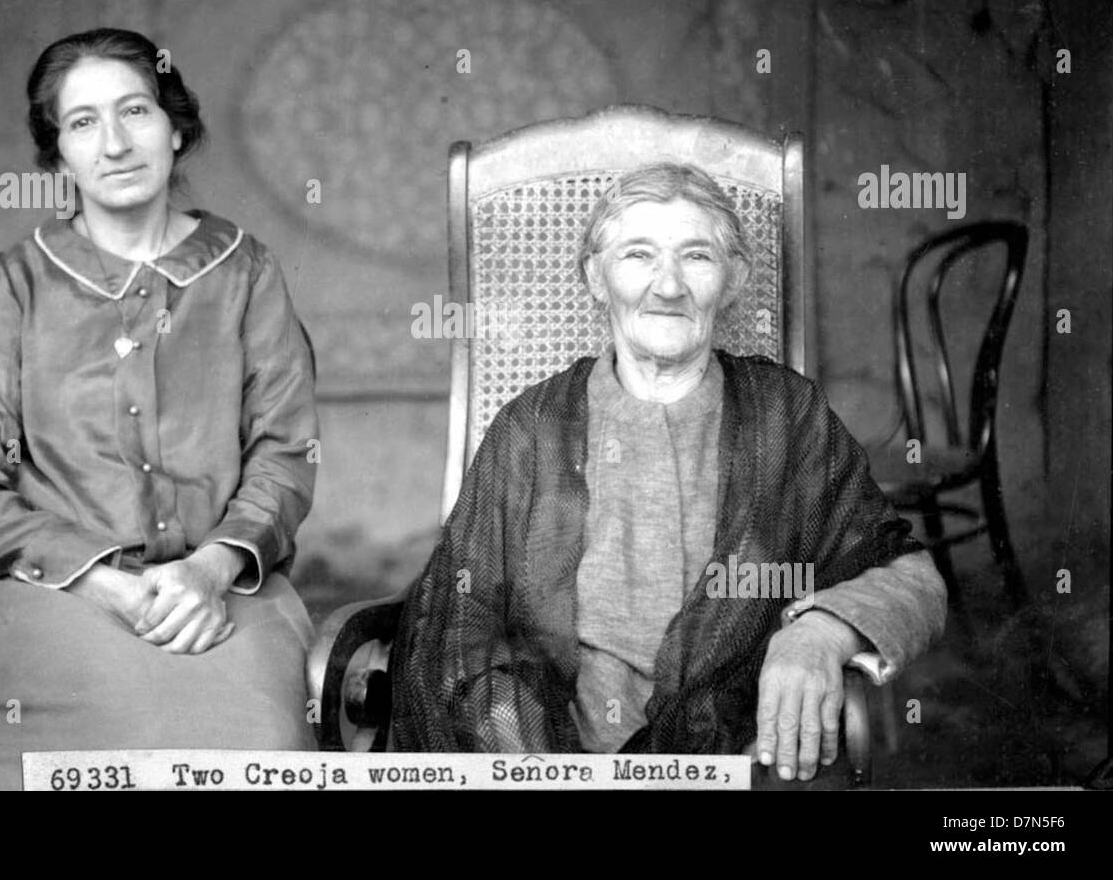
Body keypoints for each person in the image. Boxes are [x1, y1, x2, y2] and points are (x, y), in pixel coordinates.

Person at [391, 162, 947, 781]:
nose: (668, 287)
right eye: (638, 256)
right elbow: (457, 629)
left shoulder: (786, 418)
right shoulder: (530, 430)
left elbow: (912, 576)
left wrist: (823, 631)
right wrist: (528, 758)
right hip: (550, 764)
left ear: (733, 280)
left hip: (734, 760)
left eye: (697, 257)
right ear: (595, 278)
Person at [0, 28, 319, 790]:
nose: (115, 143)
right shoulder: (8, 288)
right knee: (97, 742)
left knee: (255, 745)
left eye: (135, 110)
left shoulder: (247, 273)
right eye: (83, 122)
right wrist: (104, 581)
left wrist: (208, 568)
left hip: (222, 587)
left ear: (176, 127)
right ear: (57, 152)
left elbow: (287, 454)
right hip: (51, 592)